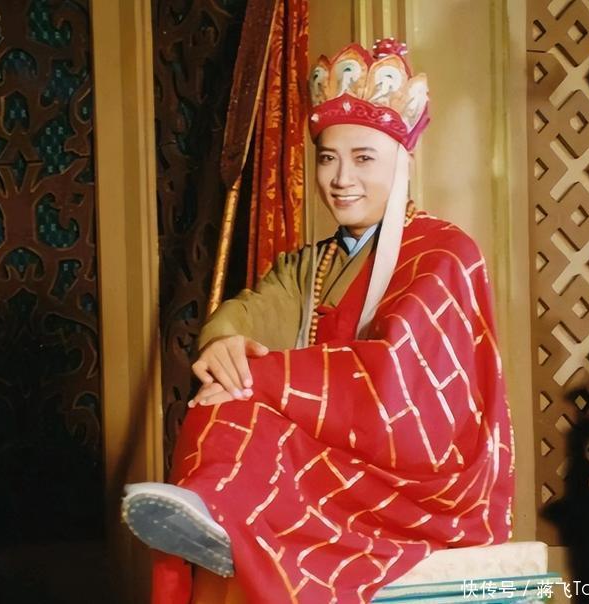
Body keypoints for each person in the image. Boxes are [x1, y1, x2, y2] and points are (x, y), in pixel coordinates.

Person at [122, 38, 515, 604]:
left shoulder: (444, 253)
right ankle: (214, 513)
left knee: (242, 396)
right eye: (328, 158)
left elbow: (400, 387)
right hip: (339, 462)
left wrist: (258, 378)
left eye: (364, 159)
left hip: (418, 482)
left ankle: (222, 511)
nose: (341, 178)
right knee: (226, 398)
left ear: (402, 162)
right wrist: (225, 344)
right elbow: (251, 311)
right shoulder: (315, 263)